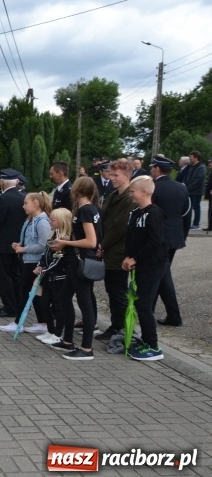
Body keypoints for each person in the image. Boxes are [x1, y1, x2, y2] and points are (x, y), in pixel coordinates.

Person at [49, 176, 102, 360]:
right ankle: (68, 340)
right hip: (76, 260)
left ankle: (86, 348)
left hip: (81, 260)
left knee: (84, 303)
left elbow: (91, 241)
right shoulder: (88, 209)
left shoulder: (86, 210)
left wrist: (66, 243)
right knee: (64, 297)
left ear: (76, 191)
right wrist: (67, 240)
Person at [122, 176, 167, 362]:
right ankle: (146, 341)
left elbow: (155, 241)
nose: (130, 194)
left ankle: (153, 346)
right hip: (138, 265)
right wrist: (127, 256)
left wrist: (136, 258)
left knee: (144, 305)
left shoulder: (154, 213)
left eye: (133, 191)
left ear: (144, 192)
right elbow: (131, 237)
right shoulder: (135, 213)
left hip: (152, 266)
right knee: (139, 303)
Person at [97, 158, 135, 341]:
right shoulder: (113, 195)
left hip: (118, 250)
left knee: (118, 292)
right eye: (110, 174)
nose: (111, 178)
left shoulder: (128, 198)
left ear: (127, 175)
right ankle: (115, 326)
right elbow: (104, 220)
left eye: (116, 175)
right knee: (111, 290)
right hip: (109, 249)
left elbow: (119, 227)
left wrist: (102, 245)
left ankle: (121, 328)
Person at [2, 191, 51, 332]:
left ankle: (18, 323)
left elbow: (43, 245)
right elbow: (30, 240)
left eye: (26, 203)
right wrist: (19, 245)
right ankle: (42, 322)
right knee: (33, 293)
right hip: (28, 260)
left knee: (25, 292)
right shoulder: (30, 220)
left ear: (35, 204)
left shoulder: (42, 222)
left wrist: (23, 249)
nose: (23, 206)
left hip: (34, 262)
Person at [150, 154, 190, 326]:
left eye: (153, 167)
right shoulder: (181, 187)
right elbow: (186, 214)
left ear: (157, 169)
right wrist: (182, 235)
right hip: (174, 238)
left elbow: (150, 215)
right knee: (160, 275)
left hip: (158, 239)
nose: (151, 170)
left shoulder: (154, 188)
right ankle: (151, 309)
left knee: (162, 276)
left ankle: (173, 315)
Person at [0, 169, 26, 318]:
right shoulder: (22, 197)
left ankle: (10, 306)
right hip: (18, 243)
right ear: (16, 182)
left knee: (4, 277)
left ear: (2, 182)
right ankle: (18, 303)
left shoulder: (3, 199)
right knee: (16, 275)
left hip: (2, 244)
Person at [33, 208, 72, 345]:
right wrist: (40, 265)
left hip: (59, 278)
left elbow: (60, 259)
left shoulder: (65, 238)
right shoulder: (52, 234)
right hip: (48, 276)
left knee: (58, 306)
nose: (50, 222)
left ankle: (58, 333)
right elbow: (45, 254)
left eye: (53, 220)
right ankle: (50, 330)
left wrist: (44, 270)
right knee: (44, 304)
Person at [185, 151, 207, 229]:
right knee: (189, 207)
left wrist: (190, 187)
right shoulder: (191, 166)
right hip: (190, 190)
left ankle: (196, 223)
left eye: (191, 157)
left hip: (197, 191)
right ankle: (188, 222)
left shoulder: (201, 167)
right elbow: (188, 177)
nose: (190, 159)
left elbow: (199, 179)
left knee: (196, 207)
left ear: (196, 158)